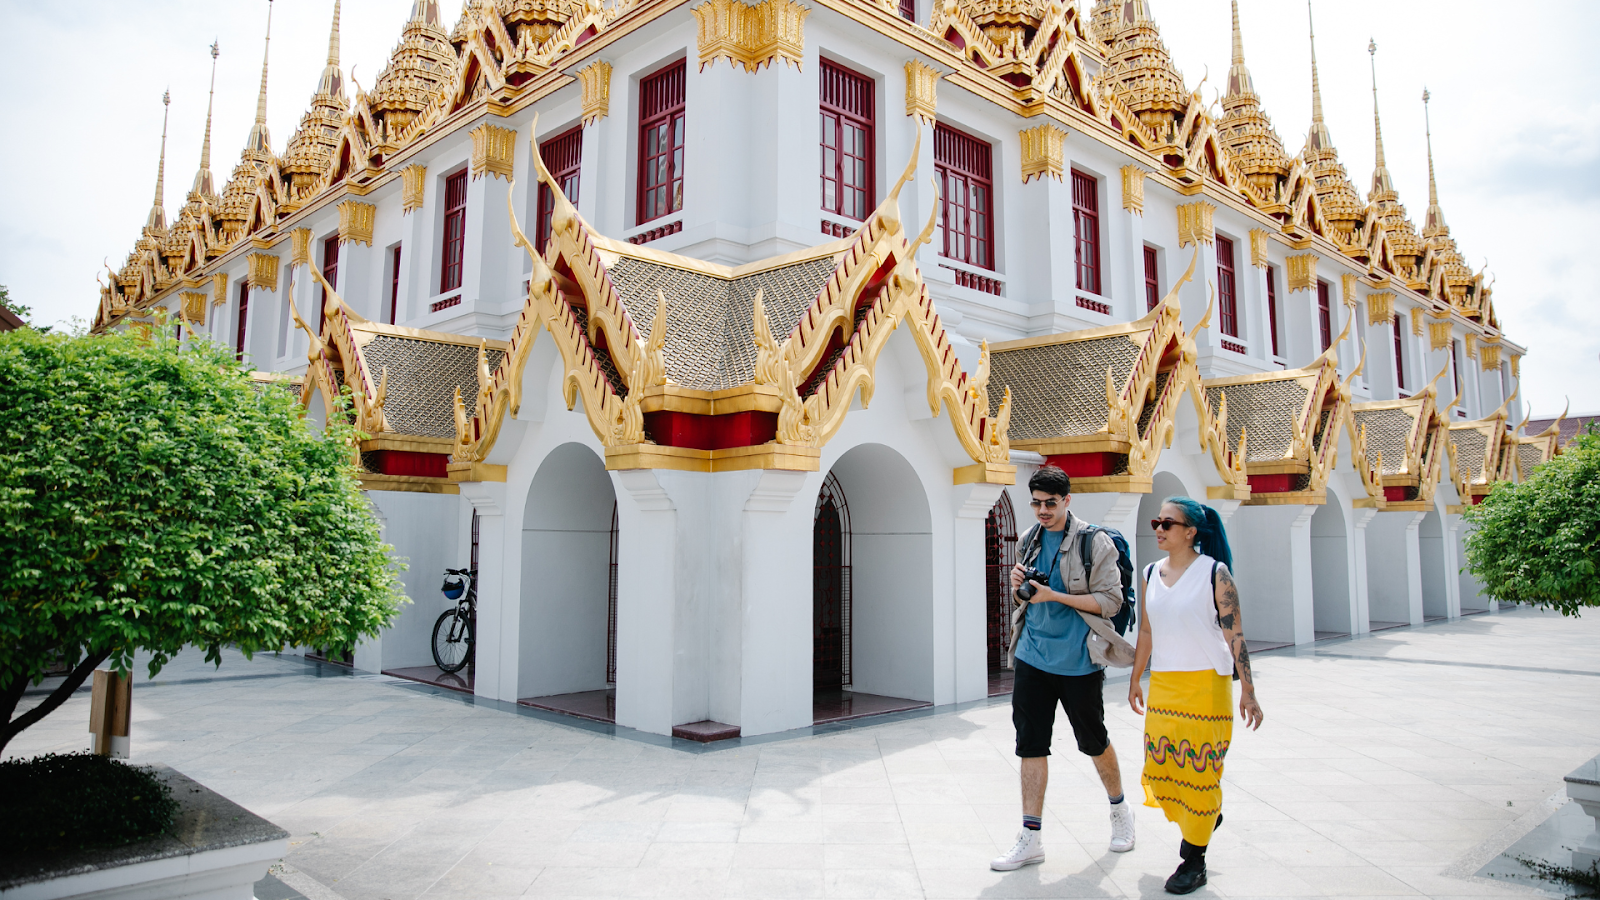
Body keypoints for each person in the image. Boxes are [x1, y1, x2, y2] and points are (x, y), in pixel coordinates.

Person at [991, 466, 1136, 872]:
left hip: (1078, 661)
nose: (1041, 510)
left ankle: (1120, 811)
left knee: (1094, 741)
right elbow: (1025, 598)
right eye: (1035, 503)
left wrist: (1055, 595)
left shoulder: (1096, 543)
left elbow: (1110, 601)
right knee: (1030, 745)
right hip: (1033, 656)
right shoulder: (1028, 540)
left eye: (1049, 503)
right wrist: (1020, 578)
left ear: (1067, 501)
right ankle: (1031, 837)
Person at [1128, 496, 1264, 895]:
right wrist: (1136, 679)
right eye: (1156, 521)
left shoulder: (1214, 574)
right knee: (1162, 771)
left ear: (1190, 532)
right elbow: (1148, 633)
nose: (1158, 528)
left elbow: (1234, 634)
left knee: (1200, 776)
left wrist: (1249, 692)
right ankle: (1206, 819)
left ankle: (1194, 860)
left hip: (1207, 686)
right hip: (1166, 686)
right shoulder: (1151, 572)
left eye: (1167, 523)